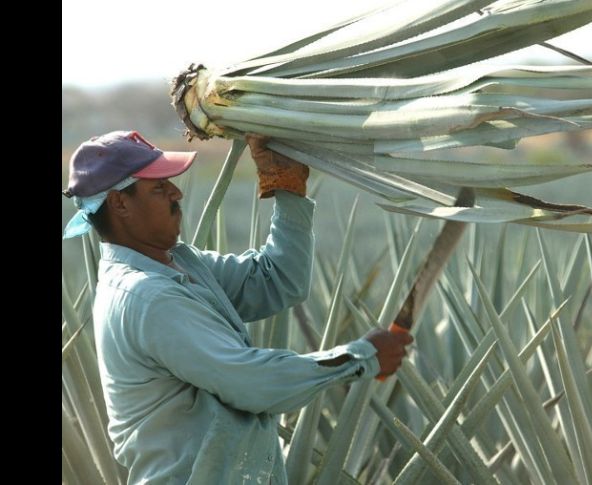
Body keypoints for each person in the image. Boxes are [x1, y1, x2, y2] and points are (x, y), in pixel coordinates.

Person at [62, 130, 413, 484]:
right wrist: (361, 357)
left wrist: (287, 189)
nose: (176, 193)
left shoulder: (181, 265)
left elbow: (279, 281)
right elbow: (252, 383)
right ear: (119, 204)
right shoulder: (148, 298)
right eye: (158, 188)